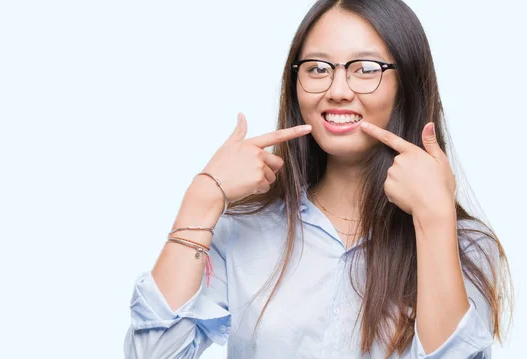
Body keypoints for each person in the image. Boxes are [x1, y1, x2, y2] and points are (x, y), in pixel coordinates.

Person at [124, 0, 513, 358]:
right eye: (317, 69)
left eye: (365, 69)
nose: (337, 90)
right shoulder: (242, 231)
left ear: (407, 86)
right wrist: (203, 196)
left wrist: (433, 218)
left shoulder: (467, 246)